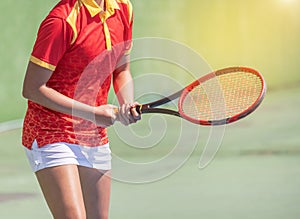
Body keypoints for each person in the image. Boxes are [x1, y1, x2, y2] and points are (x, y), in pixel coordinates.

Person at [22, 0, 140, 218]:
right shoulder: (61, 21)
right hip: (51, 132)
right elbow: (32, 88)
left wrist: (127, 103)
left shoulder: (124, 9)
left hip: (92, 134)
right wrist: (93, 113)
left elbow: (122, 70)